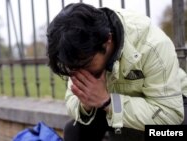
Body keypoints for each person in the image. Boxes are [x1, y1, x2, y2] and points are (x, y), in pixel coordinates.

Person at [46, 3, 187, 141]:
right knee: (74, 131)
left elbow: (170, 116)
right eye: (73, 67)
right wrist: (86, 103)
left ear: (108, 40)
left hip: (169, 104)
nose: (81, 72)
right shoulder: (80, 47)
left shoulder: (153, 44)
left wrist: (108, 102)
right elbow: (72, 100)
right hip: (113, 106)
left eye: (85, 64)